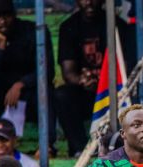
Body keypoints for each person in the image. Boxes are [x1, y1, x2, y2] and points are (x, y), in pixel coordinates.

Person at [55, 0, 131, 157]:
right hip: (85, 93)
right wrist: (82, 80)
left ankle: (124, 147)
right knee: (62, 95)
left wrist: (104, 84)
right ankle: (80, 150)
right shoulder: (69, 27)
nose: (89, 2)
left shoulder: (119, 26)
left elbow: (127, 69)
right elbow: (68, 72)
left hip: (113, 94)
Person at [0, 0, 57, 155]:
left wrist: (21, 84)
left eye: (6, 16)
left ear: (14, 15)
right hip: (1, 95)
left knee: (47, 91)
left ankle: (46, 145)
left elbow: (47, 70)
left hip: (30, 91)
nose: (2, 21)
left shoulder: (31, 31)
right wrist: (1, 44)